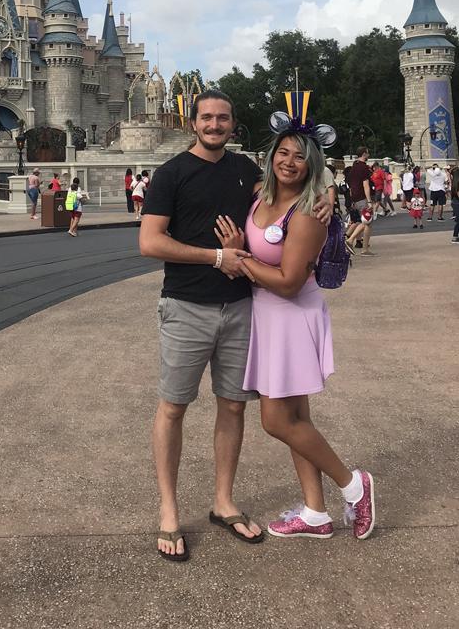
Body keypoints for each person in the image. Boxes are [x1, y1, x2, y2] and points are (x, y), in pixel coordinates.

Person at [140, 89, 334, 561]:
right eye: (206, 117)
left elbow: (294, 181)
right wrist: (217, 256)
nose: (214, 125)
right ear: (193, 122)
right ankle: (169, 510)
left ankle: (223, 502)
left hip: (242, 308)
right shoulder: (170, 175)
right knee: (173, 408)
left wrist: (328, 192)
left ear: (232, 124)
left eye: (222, 118)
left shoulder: (247, 171)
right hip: (186, 306)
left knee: (233, 409)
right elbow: (150, 242)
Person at [215, 126, 375, 541]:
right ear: (271, 157)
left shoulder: (306, 213)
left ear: (311, 164)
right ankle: (315, 513)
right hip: (266, 316)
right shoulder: (261, 195)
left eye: (299, 156)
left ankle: (353, 485)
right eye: (282, 153)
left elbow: (287, 281)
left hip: (290, 315)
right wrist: (332, 193)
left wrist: (239, 258)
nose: (288, 161)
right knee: (298, 419)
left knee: (276, 421)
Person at [346, 148, 375, 256]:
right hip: (362, 197)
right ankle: (355, 243)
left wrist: (352, 199)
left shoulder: (354, 167)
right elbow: (365, 185)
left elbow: (351, 185)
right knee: (367, 222)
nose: (369, 154)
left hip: (355, 197)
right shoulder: (364, 167)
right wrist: (369, 201)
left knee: (364, 221)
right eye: (367, 152)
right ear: (364, 154)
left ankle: (358, 243)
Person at [450, 171, 459, 242]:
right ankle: (455, 237)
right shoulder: (457, 183)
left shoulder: (454, 183)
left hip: (454, 202)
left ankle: (455, 236)